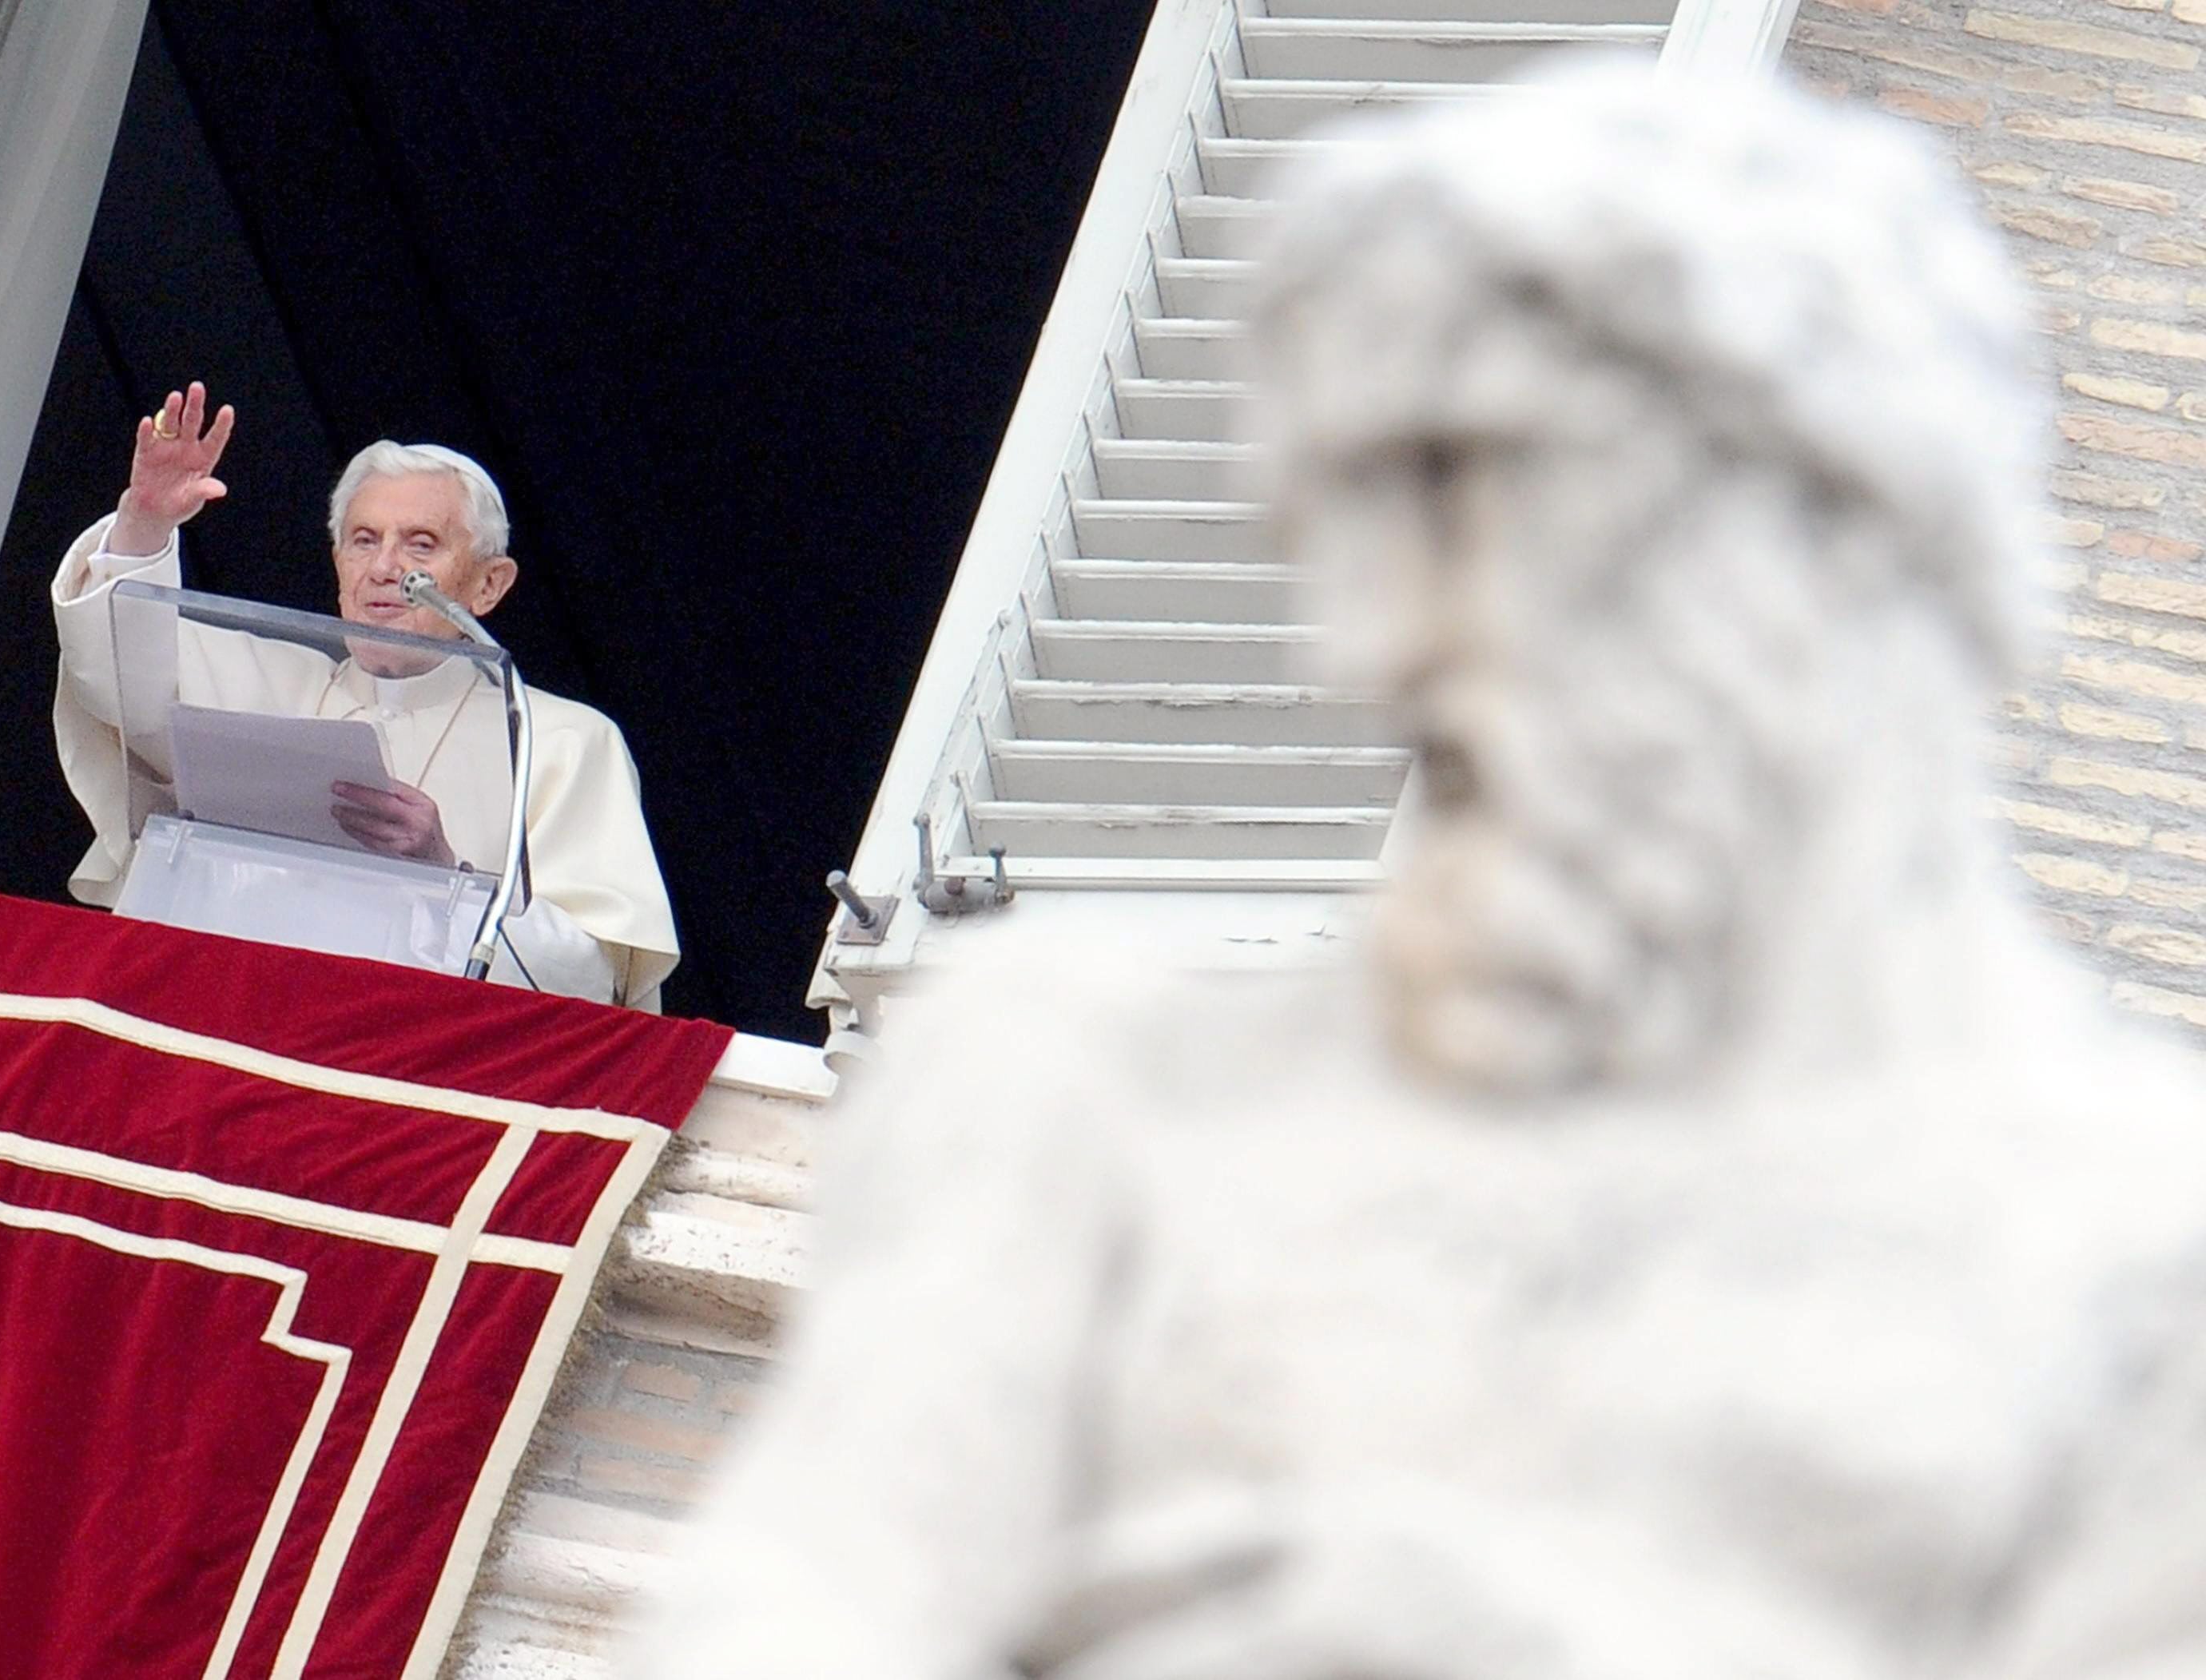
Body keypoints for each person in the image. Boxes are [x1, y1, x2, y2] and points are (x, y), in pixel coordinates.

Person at [622, 66, 2206, 1680]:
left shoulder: (2152, 1257)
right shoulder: (1086, 1077)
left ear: (1846, 528)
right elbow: (794, 1615)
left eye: (1468, 489)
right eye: (1341, 525)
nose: (1369, 642)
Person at [50, 382, 679, 1007]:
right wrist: (145, 523)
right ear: (338, 564)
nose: (384, 568)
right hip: (224, 1014)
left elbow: (590, 980)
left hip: (419, 1049)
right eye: (364, 540)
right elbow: (114, 676)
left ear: (489, 585)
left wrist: (447, 875)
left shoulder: (562, 739)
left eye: (421, 544)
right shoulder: (264, 681)